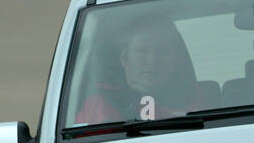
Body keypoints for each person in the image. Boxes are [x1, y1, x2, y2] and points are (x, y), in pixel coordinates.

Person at [76, 16, 212, 124]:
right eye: (142, 51)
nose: (152, 60)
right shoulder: (100, 104)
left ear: (176, 60)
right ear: (124, 57)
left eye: (162, 52)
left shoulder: (200, 99)